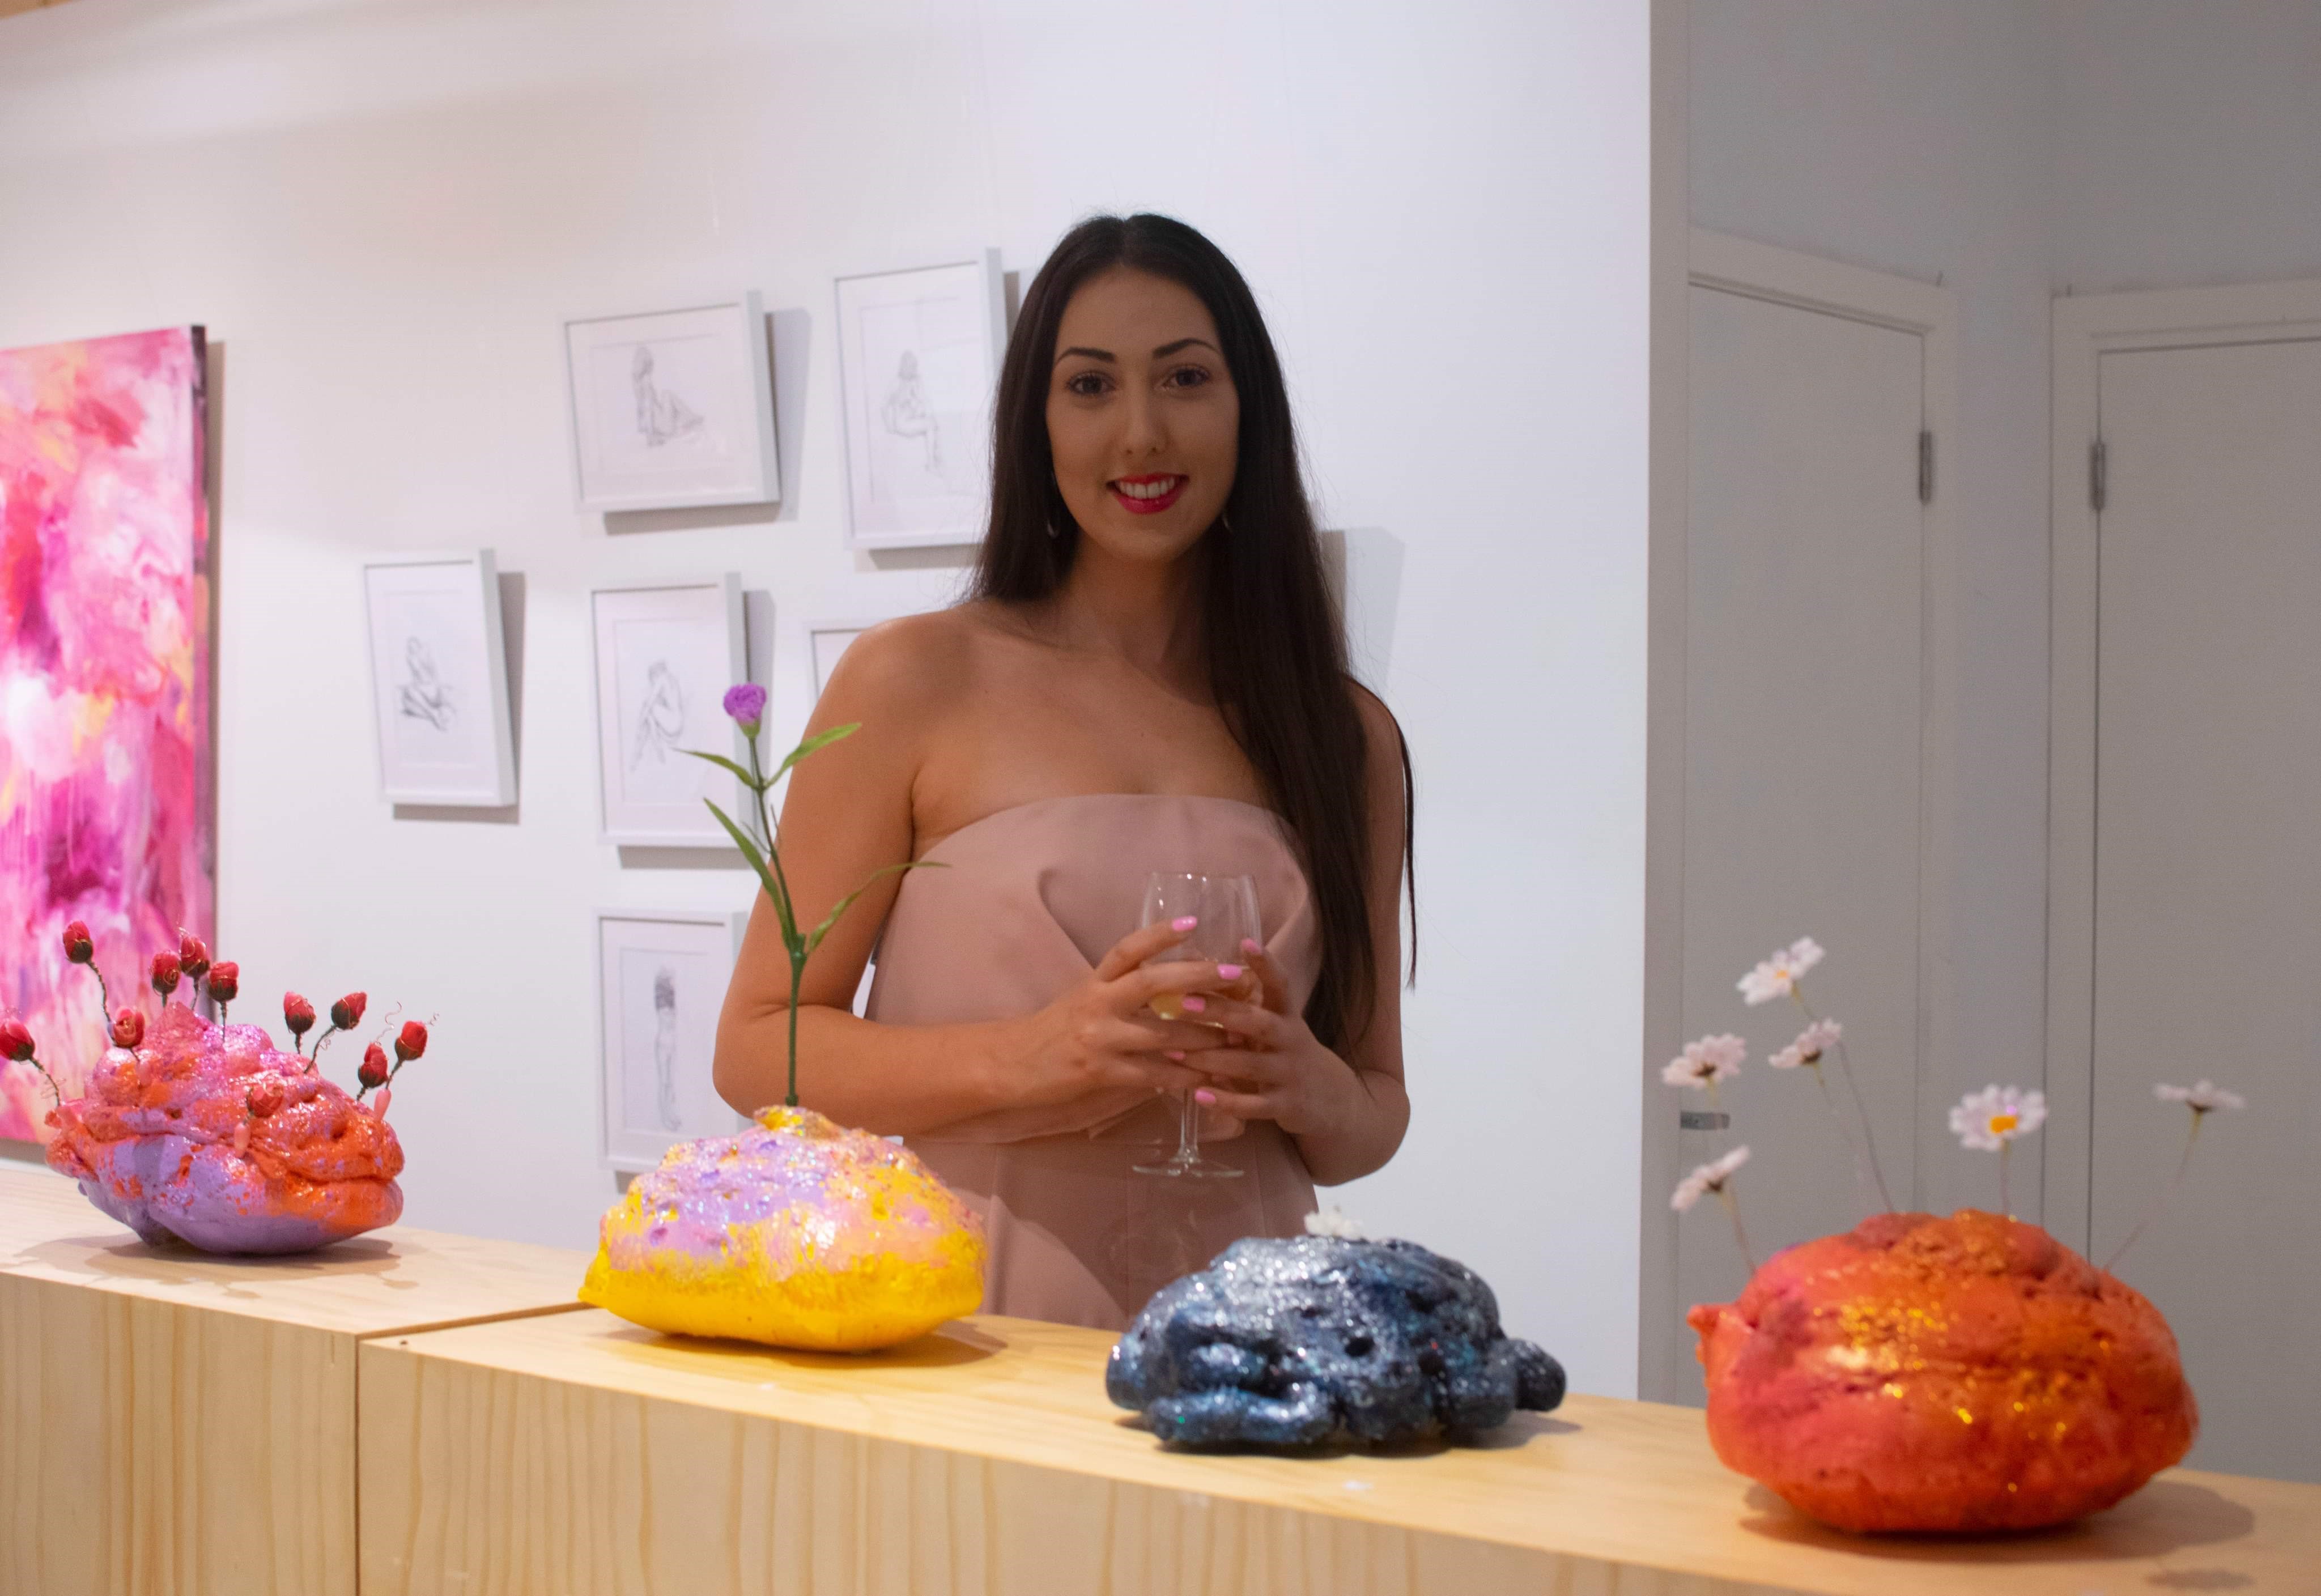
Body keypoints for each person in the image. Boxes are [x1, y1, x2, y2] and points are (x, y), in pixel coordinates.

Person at [714, 213, 1413, 1329]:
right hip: (969, 1321)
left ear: (1248, 412)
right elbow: (757, 1043)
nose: (1139, 431)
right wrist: (1033, 1056)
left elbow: (1371, 1111)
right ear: (1034, 423)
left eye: (1184, 377)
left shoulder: (1344, 735)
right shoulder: (914, 679)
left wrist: (1305, 1081)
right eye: (1089, 387)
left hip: (1249, 1330)